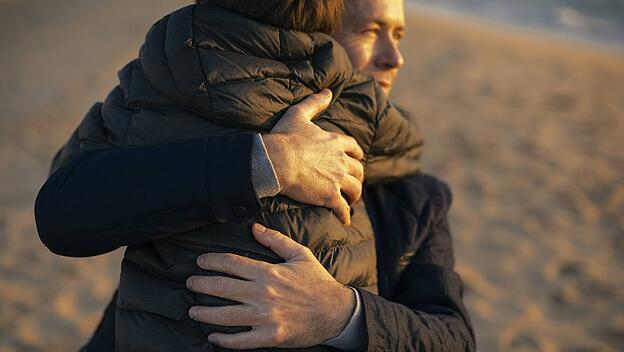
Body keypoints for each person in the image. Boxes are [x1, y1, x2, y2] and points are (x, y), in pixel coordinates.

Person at [35, 0, 475, 351]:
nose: (393, 56)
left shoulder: (415, 194)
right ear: (308, 31)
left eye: (398, 34)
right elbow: (62, 212)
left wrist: (344, 315)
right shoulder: (183, 115)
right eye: (368, 30)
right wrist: (266, 163)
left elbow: (454, 337)